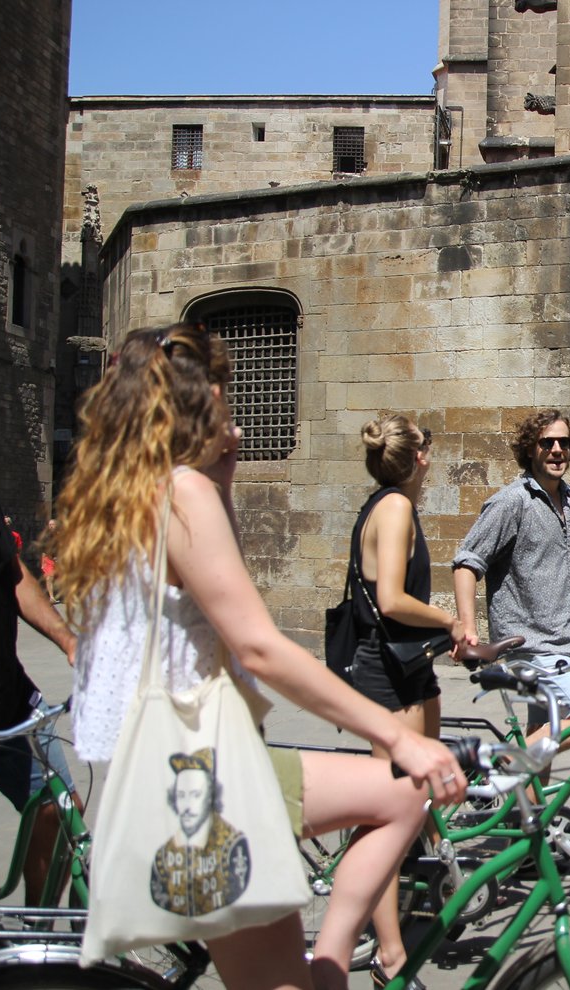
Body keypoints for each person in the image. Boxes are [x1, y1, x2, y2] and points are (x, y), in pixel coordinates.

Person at [53, 323, 465, 990]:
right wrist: (395, 735)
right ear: (196, 400)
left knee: (396, 801)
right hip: (210, 775)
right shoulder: (182, 494)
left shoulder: (137, 493)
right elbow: (258, 645)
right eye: (222, 392)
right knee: (404, 789)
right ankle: (337, 963)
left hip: (188, 766)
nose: (233, 410)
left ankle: (337, 964)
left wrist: (221, 475)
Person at [452, 409, 570, 746]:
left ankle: (523, 777)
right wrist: (468, 628)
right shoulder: (513, 502)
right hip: (532, 646)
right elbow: (467, 562)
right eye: (547, 443)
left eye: (564, 443)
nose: (557, 450)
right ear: (531, 449)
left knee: (541, 734)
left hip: (565, 643)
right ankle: (503, 760)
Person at [348, 413, 461, 984]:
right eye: (429, 449)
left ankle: (439, 880)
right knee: (388, 812)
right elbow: (391, 599)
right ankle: (387, 954)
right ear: (419, 457)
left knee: (422, 794)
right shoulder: (392, 507)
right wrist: (450, 619)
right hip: (387, 673)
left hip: (412, 666)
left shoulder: (394, 504)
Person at [0, 404, 79, 907]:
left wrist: (68, 640)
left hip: (11, 702)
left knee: (60, 813)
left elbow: (12, 571)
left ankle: (38, 936)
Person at [150, 748, 251, 917]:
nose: (187, 807)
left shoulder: (233, 848)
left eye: (196, 795)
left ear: (210, 796)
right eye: (181, 795)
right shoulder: (163, 856)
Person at [41, 519, 58, 602]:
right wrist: (43, 563)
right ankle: (51, 597)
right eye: (49, 524)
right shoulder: (46, 537)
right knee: (49, 578)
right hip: (48, 559)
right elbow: (43, 551)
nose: (51, 526)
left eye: (52, 524)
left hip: (59, 560)